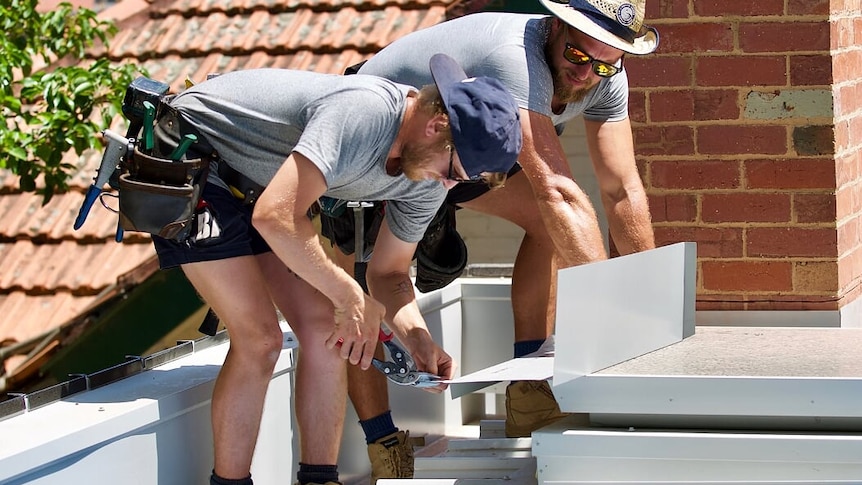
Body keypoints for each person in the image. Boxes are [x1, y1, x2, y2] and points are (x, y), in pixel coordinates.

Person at [147, 54, 522, 485]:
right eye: (455, 172)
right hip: (191, 158)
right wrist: (348, 293)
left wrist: (417, 340)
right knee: (260, 339)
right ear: (437, 127)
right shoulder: (365, 115)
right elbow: (277, 217)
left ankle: (320, 479)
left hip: (258, 184)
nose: (449, 186)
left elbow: (390, 276)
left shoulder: (427, 177)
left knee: (328, 329)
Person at [320, 0, 660, 476]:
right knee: (362, 288)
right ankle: (384, 448)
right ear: (557, 27)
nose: (586, 75)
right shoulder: (515, 58)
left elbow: (621, 189)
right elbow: (558, 190)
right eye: (578, 57)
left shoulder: (606, 76)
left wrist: (646, 312)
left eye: (605, 64)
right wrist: (611, 313)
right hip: (378, 151)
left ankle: (527, 393)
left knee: (549, 225)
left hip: (459, 151)